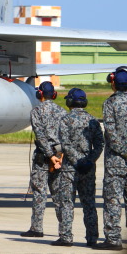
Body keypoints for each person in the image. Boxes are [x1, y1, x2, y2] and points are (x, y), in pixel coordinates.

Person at [52, 88, 103, 247]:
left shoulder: (65, 120)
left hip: (70, 169)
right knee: (89, 203)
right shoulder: (93, 120)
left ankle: (66, 237)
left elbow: (64, 145)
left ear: (70, 102)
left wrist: (77, 161)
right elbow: (99, 144)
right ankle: (92, 238)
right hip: (88, 168)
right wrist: (89, 160)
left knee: (67, 203)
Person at [21, 81, 68, 238]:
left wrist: (50, 156)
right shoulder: (62, 111)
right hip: (59, 158)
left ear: (40, 94)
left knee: (40, 193)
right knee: (58, 194)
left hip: (44, 158)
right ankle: (64, 230)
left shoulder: (36, 111)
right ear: (53, 95)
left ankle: (36, 228)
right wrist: (58, 156)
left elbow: (40, 137)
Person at [94, 67, 127, 251]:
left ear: (113, 83)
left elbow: (111, 133)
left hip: (116, 160)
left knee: (113, 199)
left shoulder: (110, 103)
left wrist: (124, 151)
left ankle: (113, 239)